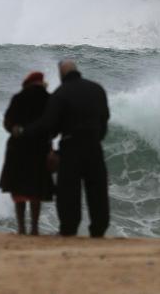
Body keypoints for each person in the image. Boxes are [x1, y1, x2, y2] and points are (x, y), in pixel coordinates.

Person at [18, 60, 110, 237]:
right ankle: (98, 230)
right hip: (94, 147)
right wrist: (96, 140)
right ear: (77, 71)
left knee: (69, 192)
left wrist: (28, 133)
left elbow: (49, 125)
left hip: (71, 147)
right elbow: (104, 119)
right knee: (97, 191)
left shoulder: (60, 94)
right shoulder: (97, 89)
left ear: (61, 74)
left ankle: (69, 229)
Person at [0, 71, 55, 235]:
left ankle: (21, 228)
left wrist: (14, 129)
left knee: (19, 189)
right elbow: (54, 124)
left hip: (18, 149)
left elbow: (8, 122)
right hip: (40, 148)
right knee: (35, 190)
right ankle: (35, 228)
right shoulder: (49, 99)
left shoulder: (18, 98)